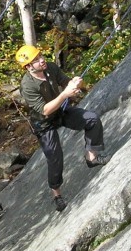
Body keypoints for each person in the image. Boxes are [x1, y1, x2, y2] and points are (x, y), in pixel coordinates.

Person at [16, 45, 110, 212]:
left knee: (92, 119)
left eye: (40, 55)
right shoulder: (27, 86)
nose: (42, 60)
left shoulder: (50, 67)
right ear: (28, 67)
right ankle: (57, 194)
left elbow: (65, 83)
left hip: (61, 111)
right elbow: (45, 110)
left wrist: (76, 83)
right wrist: (65, 94)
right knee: (54, 157)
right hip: (44, 123)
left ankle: (91, 158)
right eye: (36, 60)